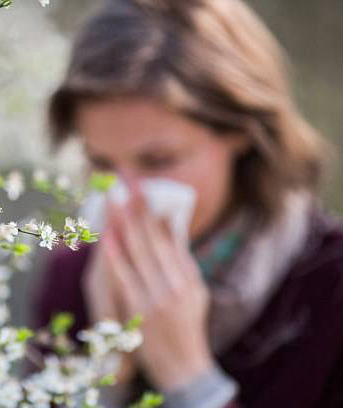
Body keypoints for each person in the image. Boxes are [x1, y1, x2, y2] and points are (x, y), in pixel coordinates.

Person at [32, 0, 343, 407]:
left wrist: (191, 380)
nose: (127, 198)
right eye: (103, 164)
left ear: (241, 130)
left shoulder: (328, 287)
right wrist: (103, 376)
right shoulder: (73, 276)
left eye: (158, 161)